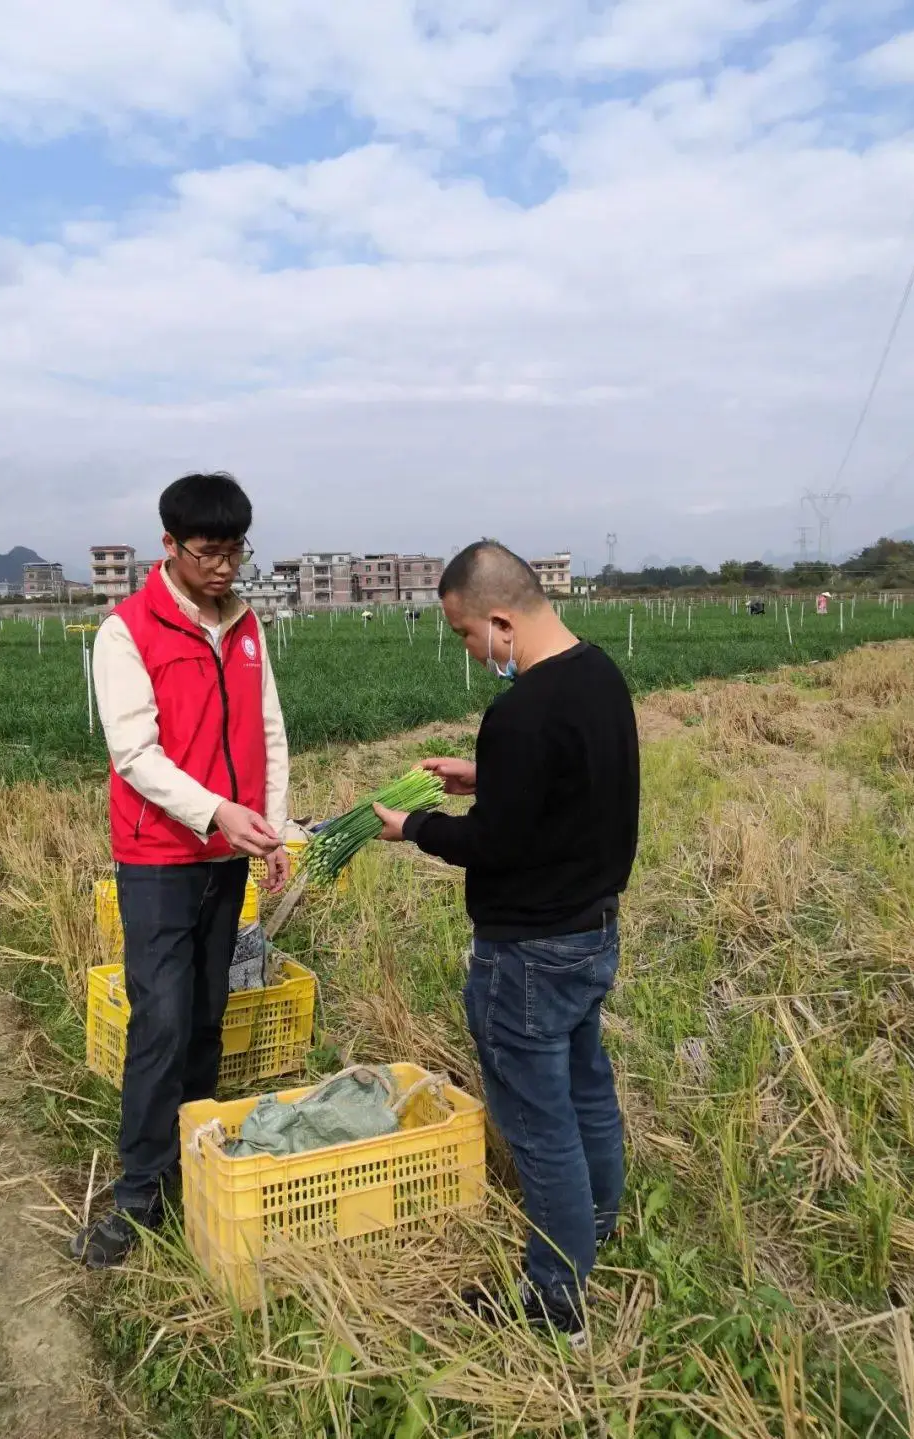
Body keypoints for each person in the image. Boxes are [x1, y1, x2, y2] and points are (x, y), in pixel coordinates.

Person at [374, 541, 639, 1342]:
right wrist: (482, 771)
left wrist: (414, 826)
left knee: (538, 1122)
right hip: (592, 932)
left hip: (527, 950)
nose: (470, 648)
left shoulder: (520, 709)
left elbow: (493, 844)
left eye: (464, 634)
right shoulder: (598, 675)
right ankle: (598, 1222)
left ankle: (556, 1300)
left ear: (498, 619)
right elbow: (566, 785)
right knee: (588, 1085)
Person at [71, 472, 290, 1268]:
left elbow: (268, 728)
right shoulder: (128, 631)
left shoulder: (246, 622)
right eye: (210, 552)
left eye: (236, 551)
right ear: (170, 546)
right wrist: (215, 812)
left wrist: (271, 828)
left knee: (205, 1010)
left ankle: (193, 1160)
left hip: (227, 854)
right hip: (160, 856)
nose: (225, 567)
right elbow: (135, 753)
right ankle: (137, 1194)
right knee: (159, 1020)